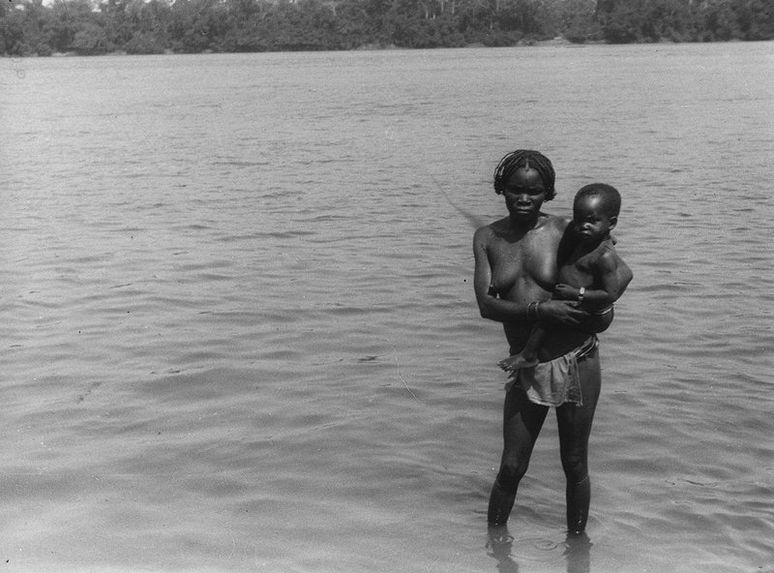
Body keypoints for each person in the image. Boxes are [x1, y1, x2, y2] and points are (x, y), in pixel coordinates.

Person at [473, 150, 632, 534]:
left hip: (577, 358)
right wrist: (540, 312)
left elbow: (607, 293)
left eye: (535, 191)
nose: (524, 199)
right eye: (515, 190)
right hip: (526, 363)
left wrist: (593, 312)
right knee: (512, 464)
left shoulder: (568, 231)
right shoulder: (487, 238)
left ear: (548, 192)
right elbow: (486, 306)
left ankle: (577, 551)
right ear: (502, 190)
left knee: (575, 462)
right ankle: (493, 546)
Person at [497, 183, 628, 374]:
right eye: (579, 219)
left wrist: (577, 293)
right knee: (550, 314)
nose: (584, 226)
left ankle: (529, 355)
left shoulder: (605, 256)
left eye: (592, 221)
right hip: (581, 299)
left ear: (612, 223)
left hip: (593, 311)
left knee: (547, 317)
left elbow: (611, 293)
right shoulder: (590, 239)